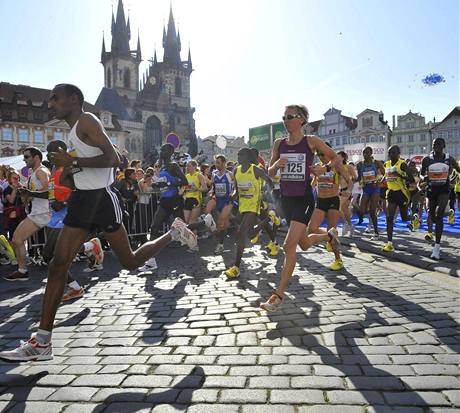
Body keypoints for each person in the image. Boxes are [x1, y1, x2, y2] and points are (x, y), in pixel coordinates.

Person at [0, 84, 197, 361]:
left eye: (56, 98)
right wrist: (67, 169)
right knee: (58, 265)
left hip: (102, 199)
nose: (51, 103)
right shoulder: (71, 132)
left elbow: (113, 159)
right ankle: (42, 341)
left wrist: (71, 160)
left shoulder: (87, 120)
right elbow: (78, 171)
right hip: (83, 199)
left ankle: (173, 233)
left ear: (74, 99)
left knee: (129, 261)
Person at [260, 104, 344, 312]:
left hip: (304, 199)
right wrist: (275, 166)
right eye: (283, 116)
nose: (285, 120)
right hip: (286, 200)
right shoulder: (278, 144)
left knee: (289, 246)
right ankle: (329, 237)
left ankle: (278, 296)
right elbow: (269, 172)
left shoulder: (311, 141)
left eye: (289, 116)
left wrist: (322, 168)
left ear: (301, 120)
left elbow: (335, 158)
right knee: (304, 244)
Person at [223, 148, 273, 278]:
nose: (239, 157)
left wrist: (266, 192)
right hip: (242, 206)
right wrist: (233, 196)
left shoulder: (255, 169)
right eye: (238, 154)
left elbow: (269, 181)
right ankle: (269, 219)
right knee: (250, 234)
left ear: (248, 156)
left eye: (242, 154)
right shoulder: (236, 171)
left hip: (253, 205)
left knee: (241, 234)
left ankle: (236, 267)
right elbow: (237, 190)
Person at [3, 147, 51, 281]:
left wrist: (28, 193)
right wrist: (25, 193)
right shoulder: (34, 172)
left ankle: (22, 271)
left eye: (26, 157)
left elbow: (49, 193)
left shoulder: (41, 171)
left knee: (17, 240)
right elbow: (36, 193)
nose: (24, 159)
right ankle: (22, 270)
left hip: (41, 213)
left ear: (36, 157)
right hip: (36, 212)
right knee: (16, 240)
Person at [309, 146, 353, 270]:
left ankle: (338, 260)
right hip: (321, 201)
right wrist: (313, 177)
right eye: (319, 155)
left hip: (333, 200)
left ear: (328, 154)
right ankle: (329, 237)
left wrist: (348, 192)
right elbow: (313, 183)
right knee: (311, 228)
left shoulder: (337, 166)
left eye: (323, 154)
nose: (321, 157)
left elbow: (349, 182)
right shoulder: (318, 166)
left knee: (331, 230)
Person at [420, 138, 460, 259]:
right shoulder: (426, 160)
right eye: (434, 144)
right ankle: (440, 222)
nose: (436, 146)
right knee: (431, 215)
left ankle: (436, 247)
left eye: (439, 144)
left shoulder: (449, 159)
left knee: (439, 213)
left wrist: (453, 176)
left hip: (444, 190)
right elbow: (421, 174)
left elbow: (458, 170)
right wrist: (424, 177)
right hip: (431, 190)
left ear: (444, 145)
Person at [382, 145, 413, 252]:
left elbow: (412, 179)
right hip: (391, 193)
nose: (391, 155)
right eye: (389, 153)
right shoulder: (387, 164)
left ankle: (414, 219)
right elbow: (386, 175)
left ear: (398, 153)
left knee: (404, 218)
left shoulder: (402, 164)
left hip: (402, 193)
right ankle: (389, 243)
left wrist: (399, 175)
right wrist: (382, 179)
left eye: (393, 153)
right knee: (389, 218)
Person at [203, 154, 234, 254]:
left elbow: (235, 187)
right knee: (206, 212)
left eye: (218, 163)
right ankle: (214, 229)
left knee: (222, 224)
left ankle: (220, 245)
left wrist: (233, 194)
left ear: (224, 163)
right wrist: (211, 192)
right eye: (215, 163)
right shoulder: (214, 174)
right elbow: (213, 187)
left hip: (227, 201)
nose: (216, 165)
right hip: (217, 199)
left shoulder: (229, 174)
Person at [356, 147, 385, 240]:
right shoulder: (360, 164)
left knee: (372, 211)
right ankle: (375, 209)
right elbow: (359, 178)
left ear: (371, 153)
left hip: (374, 189)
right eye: (363, 153)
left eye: (367, 153)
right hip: (365, 189)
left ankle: (376, 232)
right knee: (361, 210)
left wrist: (378, 180)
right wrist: (352, 180)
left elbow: (384, 174)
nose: (365, 155)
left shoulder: (376, 163)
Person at [183, 160, 208, 251]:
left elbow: (205, 188)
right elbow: (184, 188)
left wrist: (196, 189)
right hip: (188, 200)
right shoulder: (186, 176)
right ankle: (191, 240)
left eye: (189, 166)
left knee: (192, 221)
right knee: (186, 222)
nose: (187, 167)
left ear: (194, 166)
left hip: (196, 200)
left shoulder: (199, 175)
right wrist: (183, 190)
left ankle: (194, 245)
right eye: (187, 166)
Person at [337, 151, 356, 237]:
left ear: (343, 158)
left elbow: (355, 178)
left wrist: (349, 189)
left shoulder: (348, 167)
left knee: (339, 207)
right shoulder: (337, 167)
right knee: (344, 209)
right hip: (340, 190)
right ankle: (350, 225)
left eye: (339, 156)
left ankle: (345, 224)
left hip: (347, 190)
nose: (337, 158)